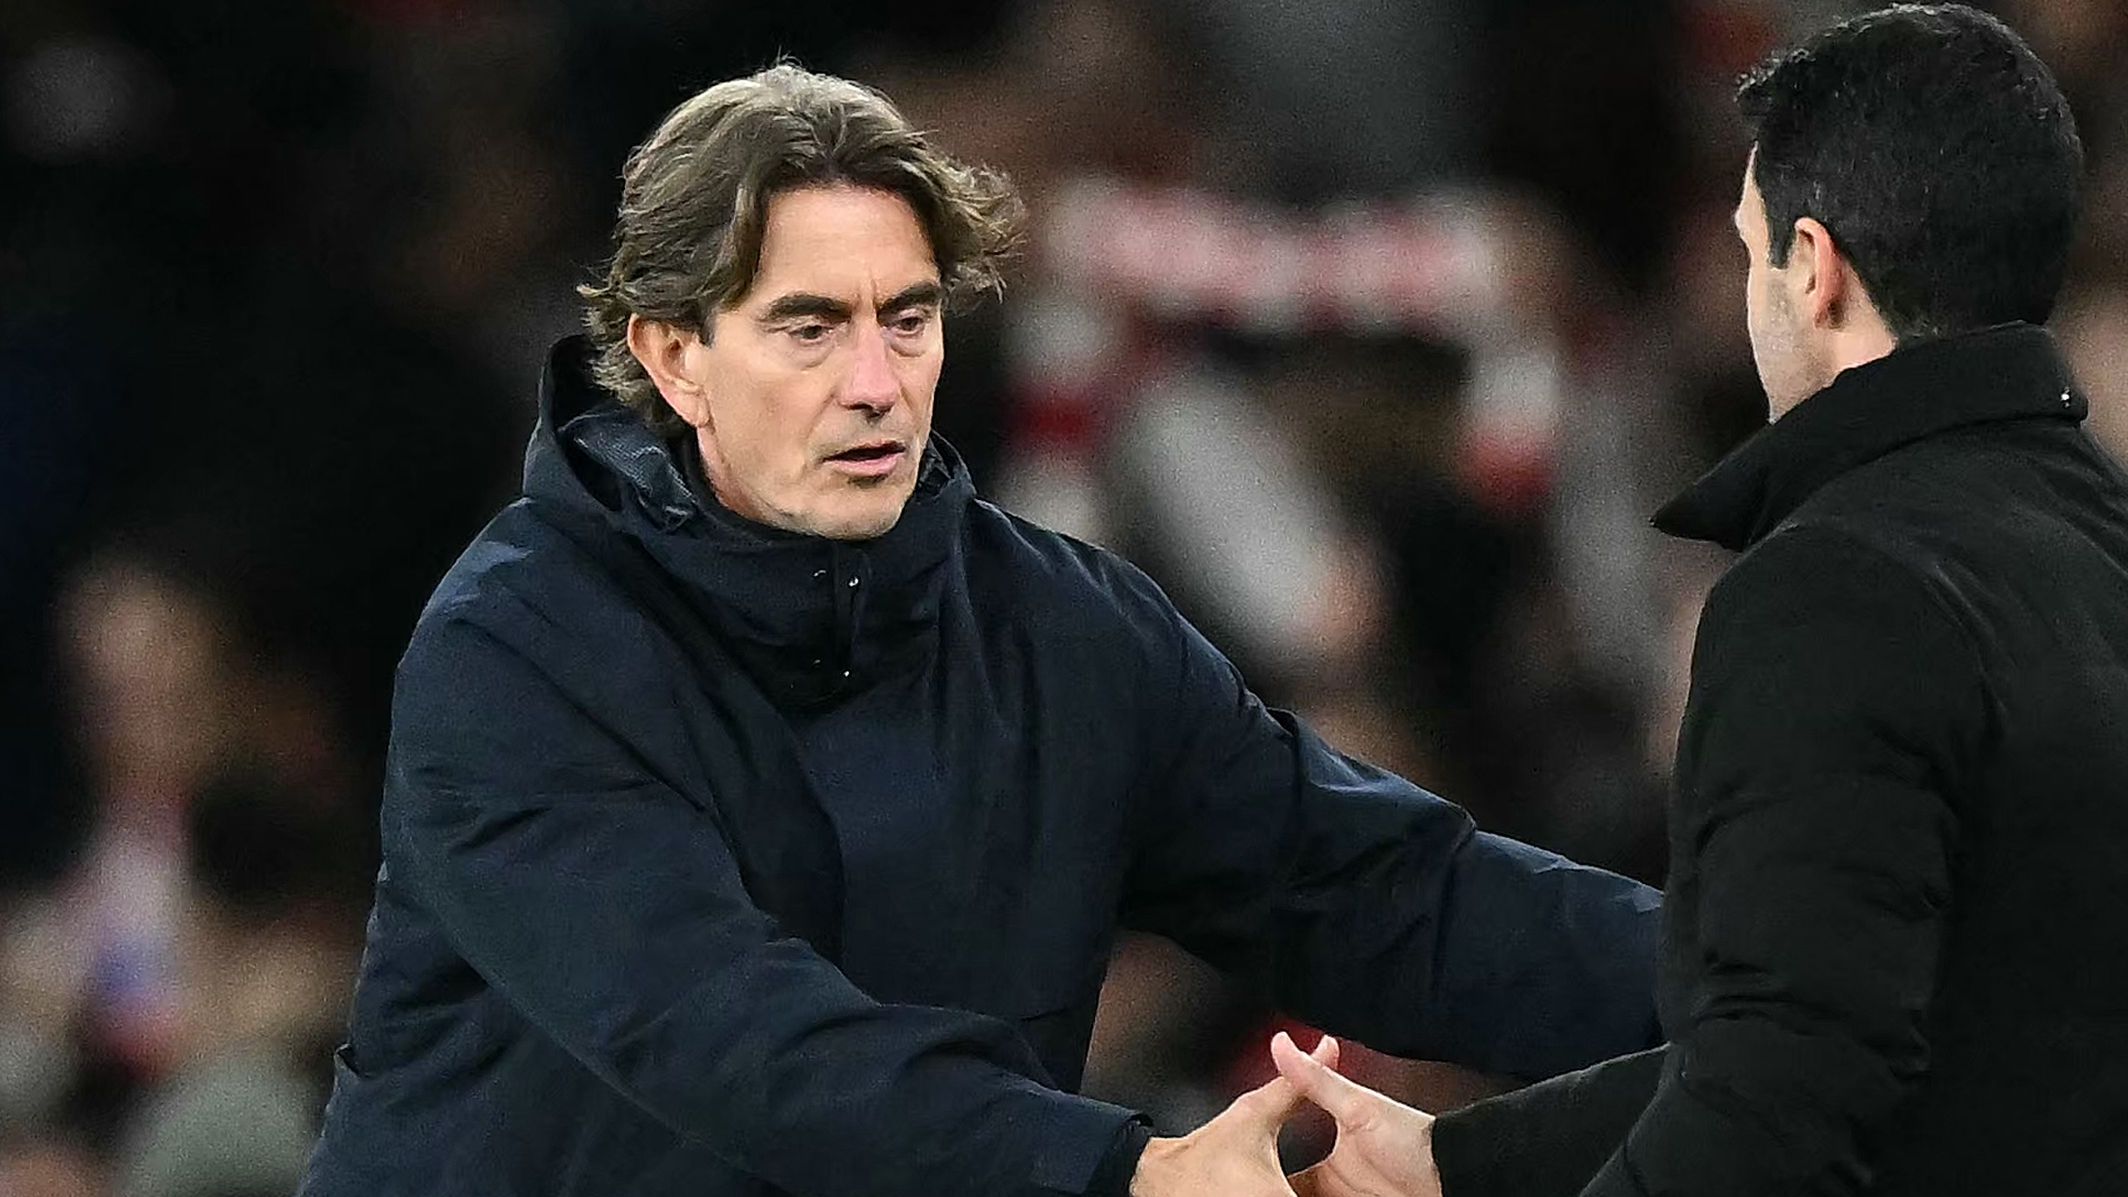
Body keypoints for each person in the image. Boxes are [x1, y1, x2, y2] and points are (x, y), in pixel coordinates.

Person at [295, 64, 1662, 1197]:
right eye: (809, 328)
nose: (875, 384)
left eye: (907, 319)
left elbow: (1385, 894)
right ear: (673, 354)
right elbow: (724, 1032)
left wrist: (1747, 973)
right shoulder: (517, 649)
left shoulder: (1060, 628)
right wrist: (1122, 1173)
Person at [1263, 6, 2128, 1196]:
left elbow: (1775, 1107)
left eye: (1748, 252)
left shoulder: (1837, 588)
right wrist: (1454, 1159)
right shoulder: (2098, 547)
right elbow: (1946, 1035)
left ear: (1813, 269)